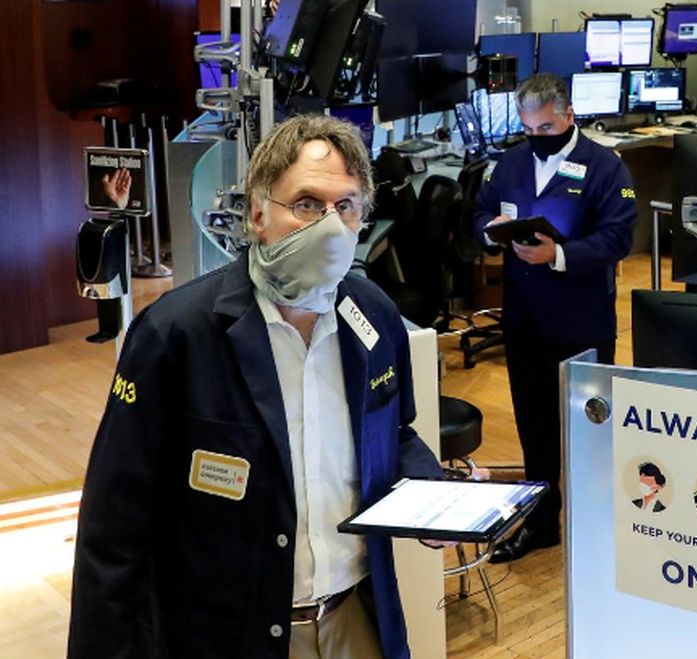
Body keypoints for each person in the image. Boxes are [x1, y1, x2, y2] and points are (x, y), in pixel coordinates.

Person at [68, 114, 443, 659]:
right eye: (308, 205)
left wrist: (434, 494)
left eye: (346, 207)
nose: (330, 228)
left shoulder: (374, 316)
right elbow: (113, 526)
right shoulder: (178, 335)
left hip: (357, 618)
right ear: (258, 213)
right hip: (230, 634)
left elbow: (395, 432)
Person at [473, 73, 637, 562]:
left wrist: (559, 255)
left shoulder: (606, 167)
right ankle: (542, 522)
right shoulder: (510, 162)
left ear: (569, 115)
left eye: (547, 127)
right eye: (529, 129)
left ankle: (596, 526)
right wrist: (492, 232)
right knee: (535, 427)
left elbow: (618, 239)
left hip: (580, 319)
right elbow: (480, 212)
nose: (537, 137)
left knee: (588, 429)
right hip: (524, 319)